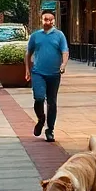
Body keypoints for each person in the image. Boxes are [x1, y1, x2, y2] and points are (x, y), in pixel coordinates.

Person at [26, 10, 69, 142]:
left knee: (52, 102)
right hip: (38, 73)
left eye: (50, 20)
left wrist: (63, 65)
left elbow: (65, 52)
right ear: (41, 20)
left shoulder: (59, 35)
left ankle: (50, 130)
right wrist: (27, 70)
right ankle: (40, 119)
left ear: (54, 21)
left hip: (54, 74)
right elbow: (28, 54)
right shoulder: (35, 36)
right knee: (38, 98)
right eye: (45, 19)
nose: (48, 22)